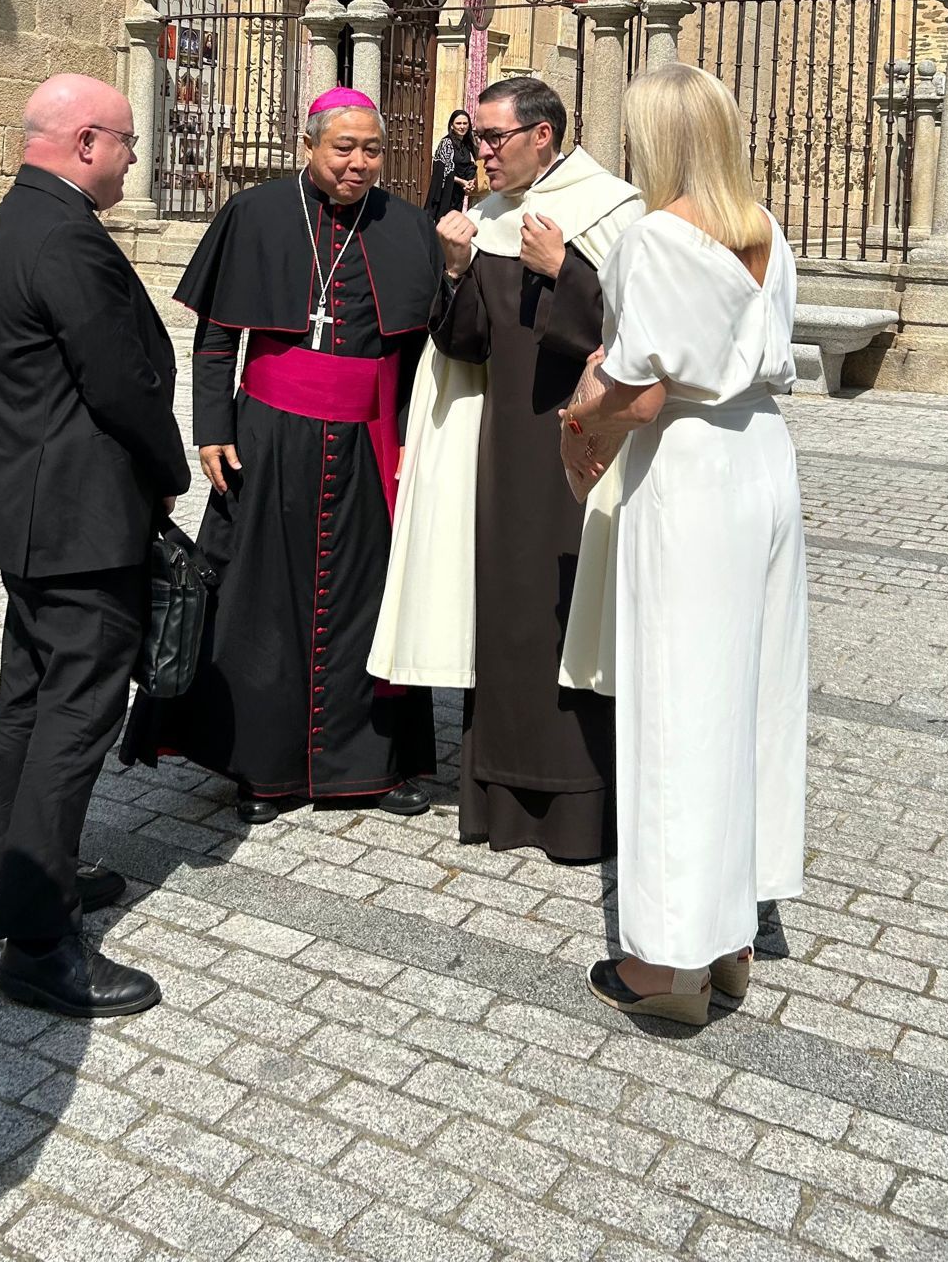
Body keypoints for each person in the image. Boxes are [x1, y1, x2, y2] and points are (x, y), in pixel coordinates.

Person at [562, 65, 807, 1025]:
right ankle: (735, 933)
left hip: (694, 472)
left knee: (678, 702)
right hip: (764, 462)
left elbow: (644, 391)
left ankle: (668, 966)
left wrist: (579, 427)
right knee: (750, 694)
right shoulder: (766, 231)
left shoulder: (654, 237)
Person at [122, 90, 443, 820]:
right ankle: (259, 769)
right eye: (343, 148)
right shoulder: (256, 213)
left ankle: (368, 768)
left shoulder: (407, 226)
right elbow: (214, 340)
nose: (359, 163)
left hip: (367, 439)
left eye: (371, 149)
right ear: (309, 145)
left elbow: (424, 350)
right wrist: (211, 430)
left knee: (366, 598)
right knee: (258, 604)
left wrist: (412, 441)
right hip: (266, 437)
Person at [0, 73, 189, 1020]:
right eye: (129, 141)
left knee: (29, 695)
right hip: (83, 520)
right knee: (75, 716)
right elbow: (121, 382)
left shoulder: (15, 217)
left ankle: (10, 878)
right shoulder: (65, 237)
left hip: (32, 512)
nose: (134, 158)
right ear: (87, 141)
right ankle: (38, 939)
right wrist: (172, 471)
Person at [371, 77, 642, 863]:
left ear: (544, 136)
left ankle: (581, 805)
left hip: (581, 444)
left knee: (568, 612)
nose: (478, 151)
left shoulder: (611, 211)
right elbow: (465, 347)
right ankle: (499, 797)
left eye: (493, 138)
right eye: (478, 138)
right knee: (507, 610)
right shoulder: (485, 218)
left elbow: (640, 336)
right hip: (502, 450)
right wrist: (454, 271)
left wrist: (567, 273)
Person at [424, 108, 478, 221]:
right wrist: (462, 182)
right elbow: (443, 171)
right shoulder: (446, 143)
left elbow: (471, 166)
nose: (462, 126)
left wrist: (470, 181)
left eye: (465, 123)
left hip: (459, 193)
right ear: (452, 125)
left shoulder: (468, 145)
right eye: (458, 123)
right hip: (446, 193)